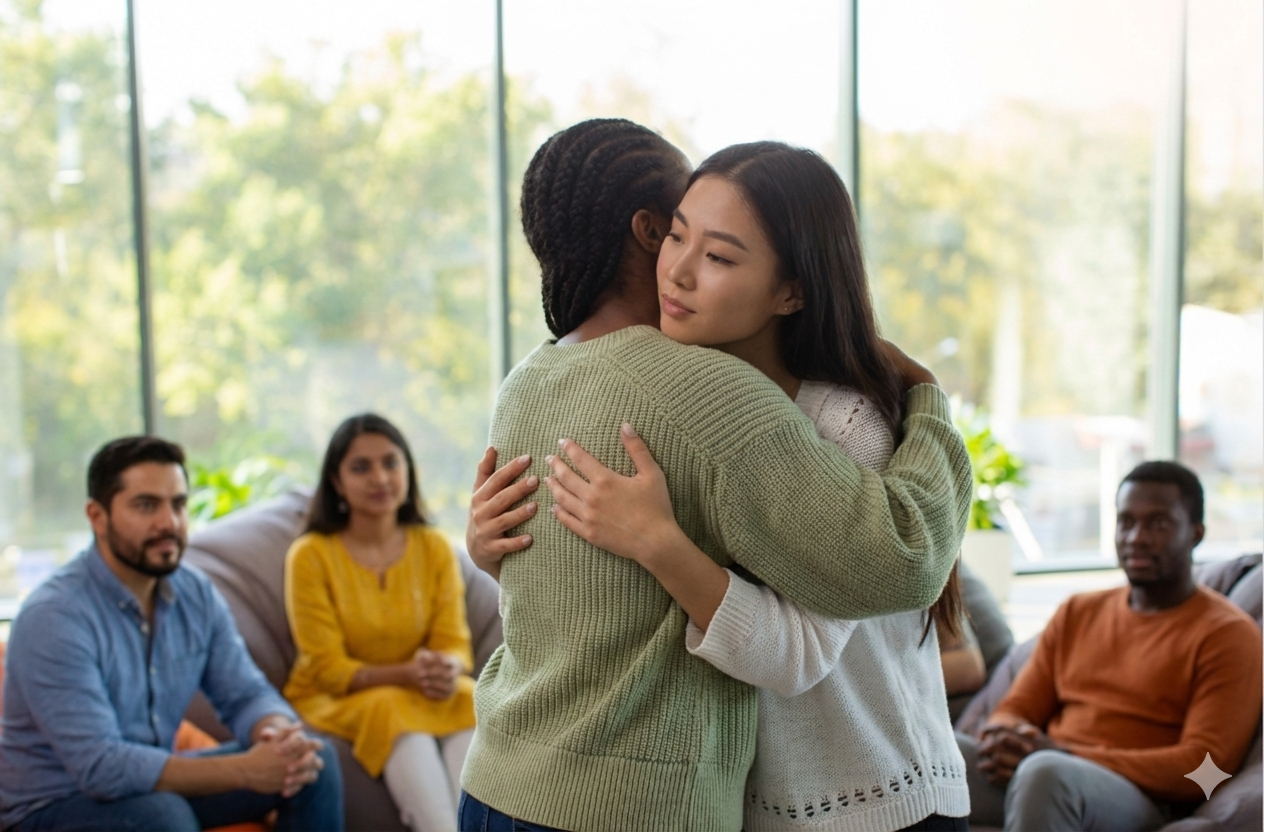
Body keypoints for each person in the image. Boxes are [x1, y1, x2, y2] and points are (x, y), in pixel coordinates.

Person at [458, 118, 973, 832]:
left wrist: (928, 399)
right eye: (677, 234)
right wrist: (488, 552)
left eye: (721, 256)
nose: (679, 268)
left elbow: (822, 634)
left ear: (790, 290)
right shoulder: (697, 393)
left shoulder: (825, 417)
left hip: (870, 797)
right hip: (730, 803)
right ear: (648, 233)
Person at [0, 436, 343, 832]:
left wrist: (282, 737)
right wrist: (245, 771)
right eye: (146, 505)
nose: (169, 522)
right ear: (97, 516)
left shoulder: (195, 593)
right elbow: (102, 768)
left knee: (314, 766)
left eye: (178, 504)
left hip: (147, 790)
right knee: (163, 816)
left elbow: (245, 693)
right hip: (52, 806)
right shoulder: (55, 616)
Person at [957, 461, 1262, 831]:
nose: (1136, 537)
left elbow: (1208, 772)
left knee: (1046, 773)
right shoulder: (1078, 612)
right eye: (1126, 522)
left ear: (1196, 533)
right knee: (937, 751)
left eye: (1158, 523)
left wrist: (1065, 754)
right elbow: (1014, 708)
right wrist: (1001, 737)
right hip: (1045, 770)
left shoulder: (1229, 635)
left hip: (1139, 798)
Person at [283, 414, 476, 832]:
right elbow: (327, 669)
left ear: (408, 470)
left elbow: (456, 643)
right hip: (336, 696)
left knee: (474, 698)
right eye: (360, 467)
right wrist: (406, 673)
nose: (380, 477)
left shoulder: (434, 547)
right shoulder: (310, 555)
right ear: (335, 481)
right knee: (390, 709)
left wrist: (448, 668)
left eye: (391, 463)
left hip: (421, 689)